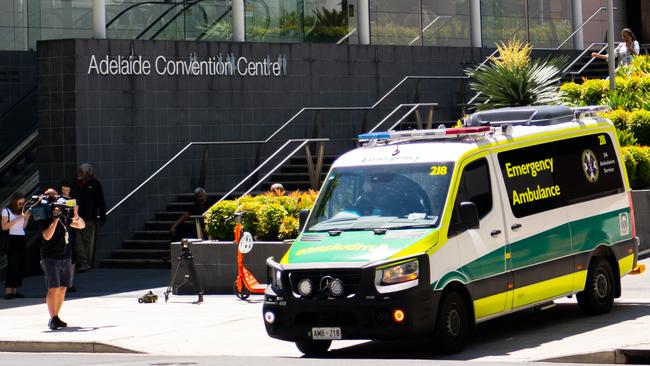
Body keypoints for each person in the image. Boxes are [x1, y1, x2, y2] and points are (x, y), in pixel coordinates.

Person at [39, 188, 85, 330]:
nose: (54, 198)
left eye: (55, 195)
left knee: (63, 288)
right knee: (53, 288)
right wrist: (55, 218)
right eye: (50, 195)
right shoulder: (44, 214)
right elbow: (47, 236)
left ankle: (56, 316)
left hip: (66, 255)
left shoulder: (64, 213)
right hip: (50, 256)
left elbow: (81, 225)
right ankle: (53, 318)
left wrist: (75, 214)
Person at [73, 163, 106, 272]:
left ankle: (86, 263)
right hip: (76, 217)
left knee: (87, 241)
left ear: (88, 173)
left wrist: (102, 217)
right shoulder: (75, 183)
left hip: (89, 218)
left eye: (82, 172)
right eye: (79, 171)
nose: (79, 173)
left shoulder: (95, 184)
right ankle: (83, 262)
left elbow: (101, 201)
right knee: (77, 241)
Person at [2, 192, 29, 299]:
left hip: (21, 238)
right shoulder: (6, 211)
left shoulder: (21, 211)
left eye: (22, 203)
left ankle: (14, 290)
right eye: (19, 203)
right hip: (12, 239)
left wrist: (26, 218)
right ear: (14, 201)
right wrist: (18, 218)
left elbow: (23, 227)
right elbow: (4, 226)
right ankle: (8, 290)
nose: (21, 205)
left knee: (19, 265)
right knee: (12, 264)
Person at [60, 181, 78, 291]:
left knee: (71, 256)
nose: (65, 192)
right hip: (61, 228)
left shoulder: (72, 200)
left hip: (70, 228)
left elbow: (76, 216)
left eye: (67, 190)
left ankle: (70, 282)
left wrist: (72, 208)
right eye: (63, 190)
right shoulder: (58, 200)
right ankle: (62, 281)